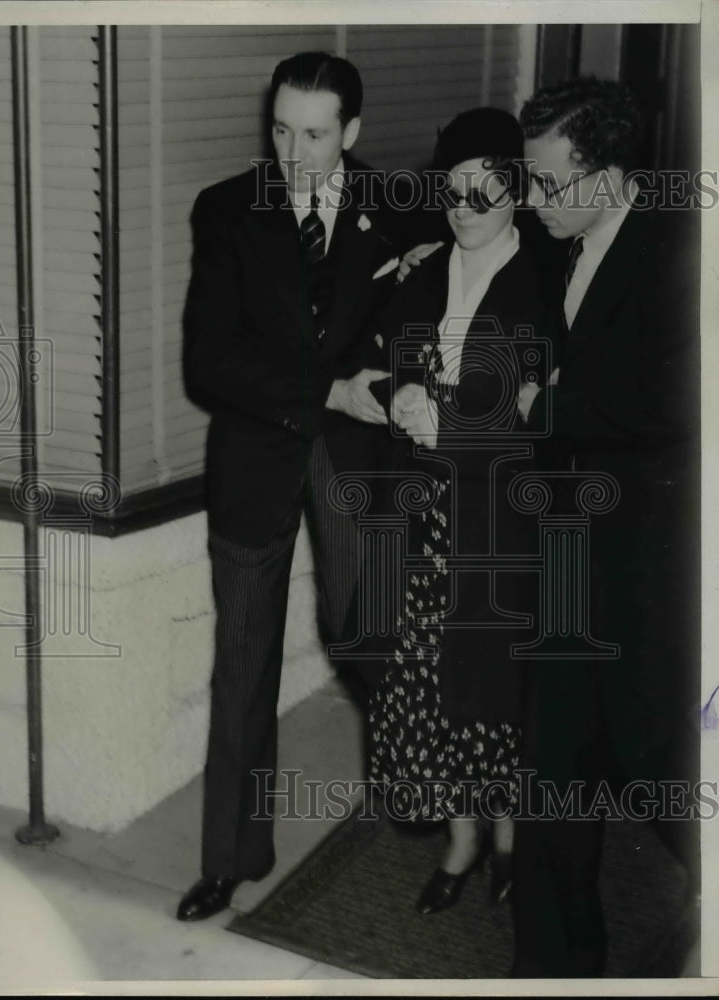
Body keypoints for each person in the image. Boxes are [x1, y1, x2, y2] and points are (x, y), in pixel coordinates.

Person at [179, 51, 416, 921]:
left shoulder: (394, 207)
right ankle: (230, 858)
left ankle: (415, 789)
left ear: (350, 133)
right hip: (259, 456)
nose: (293, 153)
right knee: (242, 662)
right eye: (280, 130)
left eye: (314, 135)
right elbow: (209, 362)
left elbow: (425, 304)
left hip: (355, 456)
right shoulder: (228, 212)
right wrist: (324, 388)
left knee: (369, 632)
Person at [512, 77, 700, 977]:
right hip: (562, 559)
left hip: (644, 570)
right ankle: (554, 968)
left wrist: (543, 405)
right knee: (552, 773)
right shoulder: (555, 242)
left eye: (549, 184)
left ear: (611, 174)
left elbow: (675, 403)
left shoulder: (682, 253)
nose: (534, 202)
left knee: (654, 770)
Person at [355, 108, 545, 915]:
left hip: (497, 523)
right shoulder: (429, 269)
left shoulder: (543, 279)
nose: (464, 209)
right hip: (425, 517)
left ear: (518, 193)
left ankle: (510, 840)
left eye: (483, 194)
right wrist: (399, 387)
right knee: (428, 689)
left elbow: (535, 410)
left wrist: (453, 417)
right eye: (454, 194)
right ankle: (462, 840)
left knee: (492, 691)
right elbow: (383, 345)